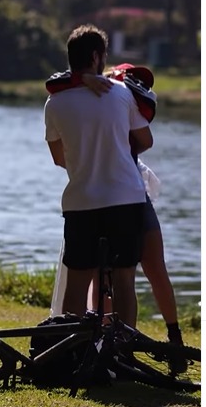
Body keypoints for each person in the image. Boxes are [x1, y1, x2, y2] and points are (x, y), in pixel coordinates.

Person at [45, 62, 184, 347]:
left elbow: (144, 141)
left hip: (122, 196)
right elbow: (58, 82)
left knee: (147, 268)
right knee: (111, 275)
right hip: (118, 198)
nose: (137, 85)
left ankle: (171, 337)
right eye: (129, 77)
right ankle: (108, 342)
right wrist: (87, 78)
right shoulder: (107, 94)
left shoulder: (117, 99)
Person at [44, 24, 153, 327]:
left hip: (81, 202)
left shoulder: (55, 103)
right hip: (125, 199)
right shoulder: (121, 94)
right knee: (124, 280)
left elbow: (58, 158)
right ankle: (124, 344)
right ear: (96, 57)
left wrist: (85, 160)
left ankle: (73, 346)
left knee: (77, 283)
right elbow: (146, 141)